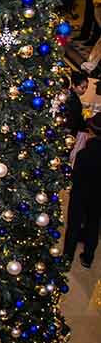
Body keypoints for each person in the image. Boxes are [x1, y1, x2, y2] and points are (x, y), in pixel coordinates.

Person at [64, 113, 101, 269]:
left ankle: (67, 258)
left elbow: (76, 176)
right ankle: (88, 257)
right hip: (98, 196)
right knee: (94, 224)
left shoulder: (83, 154)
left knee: (73, 225)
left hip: (80, 194)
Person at [65, 71, 89, 136]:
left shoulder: (70, 94)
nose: (85, 90)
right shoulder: (74, 101)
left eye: (86, 87)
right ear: (73, 85)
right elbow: (74, 120)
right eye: (82, 87)